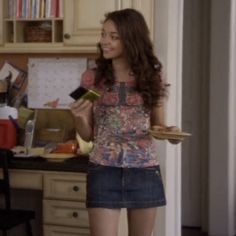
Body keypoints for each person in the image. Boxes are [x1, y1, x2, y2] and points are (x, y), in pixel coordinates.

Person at [70, 8, 179, 236]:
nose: (103, 42)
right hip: (103, 170)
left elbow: (158, 124)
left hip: (145, 170)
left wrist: (171, 132)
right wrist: (79, 119)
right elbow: (87, 136)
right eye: (103, 34)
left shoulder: (153, 76)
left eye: (113, 36)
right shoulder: (91, 79)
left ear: (131, 39)